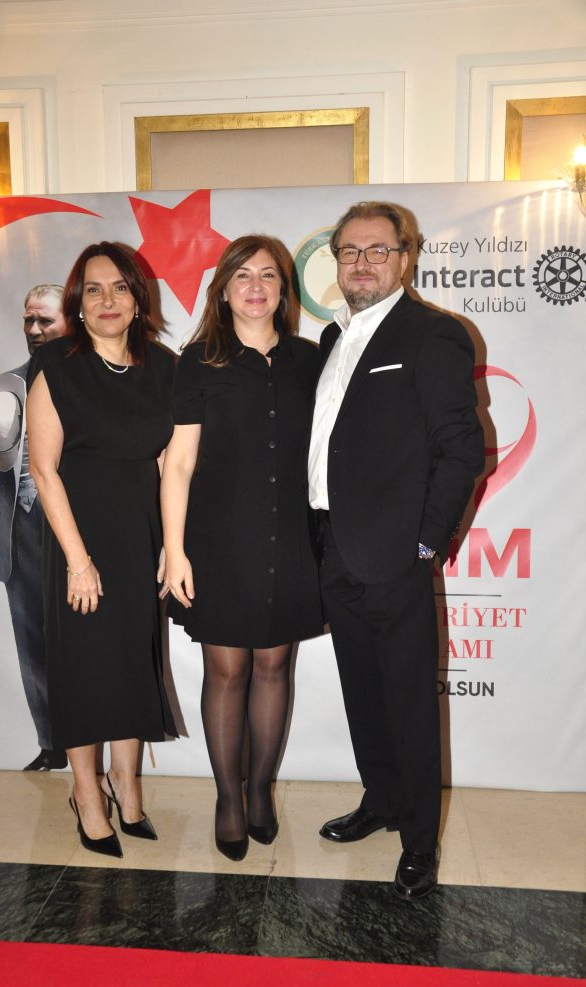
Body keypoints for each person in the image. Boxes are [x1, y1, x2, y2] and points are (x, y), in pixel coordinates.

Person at [309, 201, 484, 900]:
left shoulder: (433, 334)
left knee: (409, 702)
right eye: (350, 251)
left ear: (406, 258)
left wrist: (424, 541)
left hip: (395, 553)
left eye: (378, 250)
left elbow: (461, 449)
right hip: (332, 546)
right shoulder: (332, 337)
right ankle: (380, 800)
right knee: (363, 691)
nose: (362, 263)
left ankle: (419, 842)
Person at [161, 235, 324, 861]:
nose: (256, 287)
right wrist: (175, 550)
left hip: (292, 538)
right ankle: (228, 798)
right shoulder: (199, 360)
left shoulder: (309, 360)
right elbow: (178, 463)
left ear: (284, 290)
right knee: (227, 671)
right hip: (220, 540)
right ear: (223, 290)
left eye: (268, 276)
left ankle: (260, 790)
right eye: (243, 276)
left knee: (275, 667)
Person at [26, 241, 178, 859]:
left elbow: (169, 461)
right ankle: (86, 794)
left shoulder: (163, 366)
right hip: (79, 540)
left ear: (138, 299)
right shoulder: (56, 366)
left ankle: (125, 781)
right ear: (78, 303)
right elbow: (43, 470)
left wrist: (171, 542)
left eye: (120, 287)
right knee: (86, 671)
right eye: (93, 289)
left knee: (133, 662)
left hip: (139, 537)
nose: (107, 299)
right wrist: (78, 561)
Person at [0, 284, 68, 772]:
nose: (34, 329)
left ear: (70, 319)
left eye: (45, 320)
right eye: (28, 320)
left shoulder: (92, 378)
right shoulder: (6, 383)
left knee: (87, 642)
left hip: (77, 526)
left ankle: (95, 740)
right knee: (33, 641)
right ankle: (51, 742)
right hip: (21, 528)